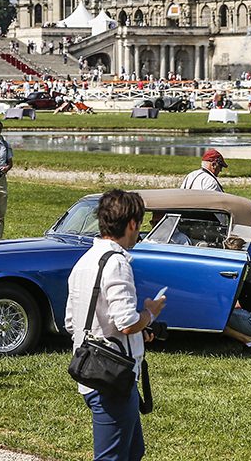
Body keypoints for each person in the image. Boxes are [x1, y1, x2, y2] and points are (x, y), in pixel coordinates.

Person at [65, 189, 166, 461]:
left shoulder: (84, 261)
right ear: (132, 223)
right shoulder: (118, 263)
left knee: (133, 451)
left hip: (92, 370)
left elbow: (71, 321)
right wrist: (150, 313)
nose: (139, 232)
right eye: (140, 225)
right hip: (112, 378)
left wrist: (135, 335)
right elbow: (126, 322)